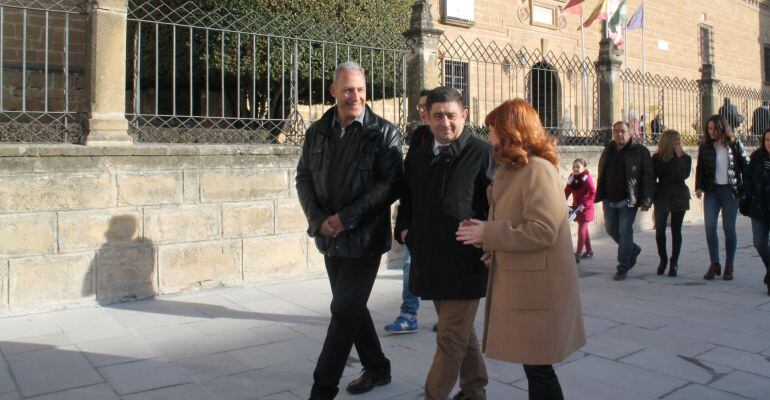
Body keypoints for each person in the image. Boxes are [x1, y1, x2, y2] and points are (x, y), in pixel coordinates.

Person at [456, 98, 586, 400]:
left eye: (493, 131)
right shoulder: (511, 170)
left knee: (539, 369)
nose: (488, 138)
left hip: (539, 289)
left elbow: (544, 229)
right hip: (524, 285)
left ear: (511, 132)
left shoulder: (538, 170)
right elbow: (511, 221)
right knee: (535, 367)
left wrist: (489, 233)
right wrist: (490, 245)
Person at [296, 61, 404, 399]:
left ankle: (322, 388)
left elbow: (390, 184)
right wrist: (319, 221)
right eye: (346, 89)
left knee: (343, 311)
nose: (354, 96)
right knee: (351, 306)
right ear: (333, 91)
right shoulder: (317, 131)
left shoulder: (384, 132)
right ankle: (378, 367)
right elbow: (304, 178)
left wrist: (346, 218)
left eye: (359, 89)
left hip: (365, 239)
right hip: (330, 238)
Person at [394, 86, 493, 400]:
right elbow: (406, 197)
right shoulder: (420, 154)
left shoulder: (482, 152)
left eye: (451, 115)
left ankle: (433, 395)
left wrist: (492, 237)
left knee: (449, 338)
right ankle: (475, 389)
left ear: (464, 114)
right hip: (430, 259)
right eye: (438, 115)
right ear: (426, 116)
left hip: (466, 262)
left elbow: (497, 203)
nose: (445, 122)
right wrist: (405, 230)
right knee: (461, 334)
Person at [385, 88, 433, 335]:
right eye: (421, 107)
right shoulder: (419, 137)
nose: (423, 111)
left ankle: (446, 313)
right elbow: (408, 179)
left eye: (428, 106)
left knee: (441, 267)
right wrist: (402, 222)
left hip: (443, 220)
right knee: (409, 265)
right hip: (416, 218)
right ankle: (408, 314)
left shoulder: (456, 140)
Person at [595, 121, 655, 281]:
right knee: (610, 229)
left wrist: (647, 200)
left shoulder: (640, 151)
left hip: (629, 199)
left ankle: (623, 266)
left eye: (622, 131)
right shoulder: (608, 149)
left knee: (624, 231)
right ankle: (632, 249)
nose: (619, 134)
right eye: (616, 131)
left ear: (630, 132)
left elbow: (649, 177)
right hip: (609, 198)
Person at [695, 114, 749, 281]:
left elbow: (746, 164)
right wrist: (698, 186)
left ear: (722, 128)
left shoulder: (734, 144)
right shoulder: (705, 146)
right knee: (710, 227)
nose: (712, 132)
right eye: (709, 129)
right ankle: (714, 263)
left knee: (728, 228)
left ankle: (729, 265)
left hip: (731, 191)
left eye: (714, 128)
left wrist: (747, 186)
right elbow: (700, 168)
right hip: (712, 191)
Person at [652, 130, 692, 277]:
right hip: (662, 195)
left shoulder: (685, 158)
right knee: (660, 229)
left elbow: (684, 174)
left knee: (676, 230)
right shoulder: (657, 158)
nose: (678, 143)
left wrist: (680, 155)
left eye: (679, 140)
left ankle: (674, 261)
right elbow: (654, 176)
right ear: (668, 142)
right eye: (675, 140)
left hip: (679, 194)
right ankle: (663, 259)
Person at [744, 128, 770, 296]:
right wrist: (751, 194)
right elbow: (747, 177)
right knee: (759, 242)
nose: (769, 143)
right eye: (767, 140)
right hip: (759, 207)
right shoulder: (756, 157)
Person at [564, 158, 596, 263]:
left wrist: (585, 204)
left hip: (586, 209)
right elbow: (567, 191)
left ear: (584, 168)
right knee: (584, 231)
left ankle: (578, 253)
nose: (575, 169)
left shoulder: (587, 178)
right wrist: (562, 200)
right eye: (574, 167)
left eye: (578, 167)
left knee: (581, 230)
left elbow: (593, 194)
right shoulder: (571, 178)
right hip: (577, 208)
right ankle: (589, 251)